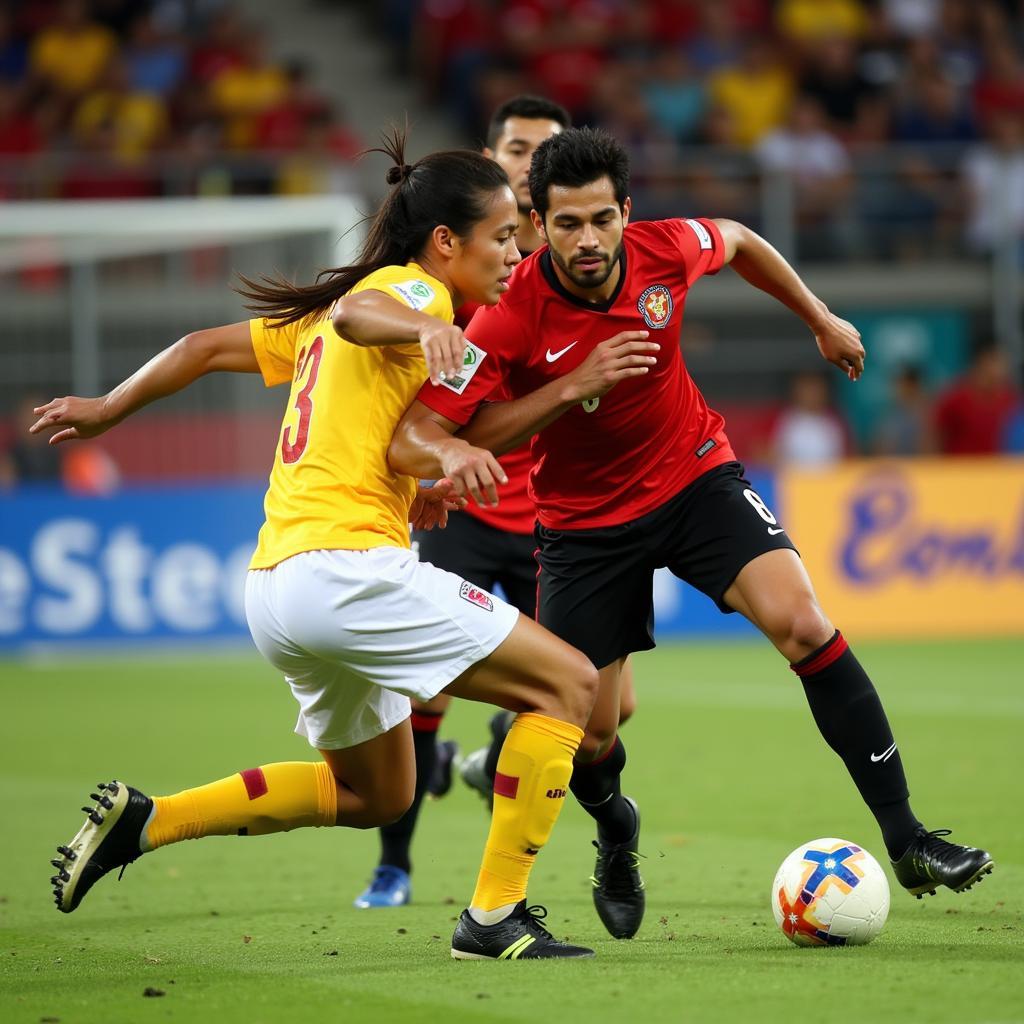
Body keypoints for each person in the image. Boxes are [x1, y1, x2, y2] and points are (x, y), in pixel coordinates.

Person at [388, 127, 994, 938]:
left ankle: (909, 837)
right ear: (539, 223)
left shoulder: (666, 250)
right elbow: (433, 430)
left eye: (602, 219)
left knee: (805, 623)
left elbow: (740, 240)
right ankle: (616, 833)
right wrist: (569, 391)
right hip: (583, 527)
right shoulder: (506, 317)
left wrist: (819, 316)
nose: (588, 240)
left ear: (626, 212)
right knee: (589, 729)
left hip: (694, 477)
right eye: (567, 224)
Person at [33, 134, 602, 961]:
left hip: (277, 587)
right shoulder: (415, 298)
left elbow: (199, 349)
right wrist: (424, 325)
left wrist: (108, 406)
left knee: (375, 792)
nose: (515, 255)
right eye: (504, 236)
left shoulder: (315, 322)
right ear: (446, 242)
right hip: (346, 573)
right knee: (570, 683)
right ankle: (494, 917)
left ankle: (150, 822)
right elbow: (360, 315)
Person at [353, 94, 639, 912]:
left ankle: (490, 761)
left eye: (542, 154)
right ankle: (395, 866)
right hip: (464, 506)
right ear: (493, 156)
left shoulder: (565, 263)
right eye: (517, 148)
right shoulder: (464, 270)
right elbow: (368, 321)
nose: (527, 163)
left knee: (606, 713)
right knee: (427, 691)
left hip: (555, 514)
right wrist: (436, 461)